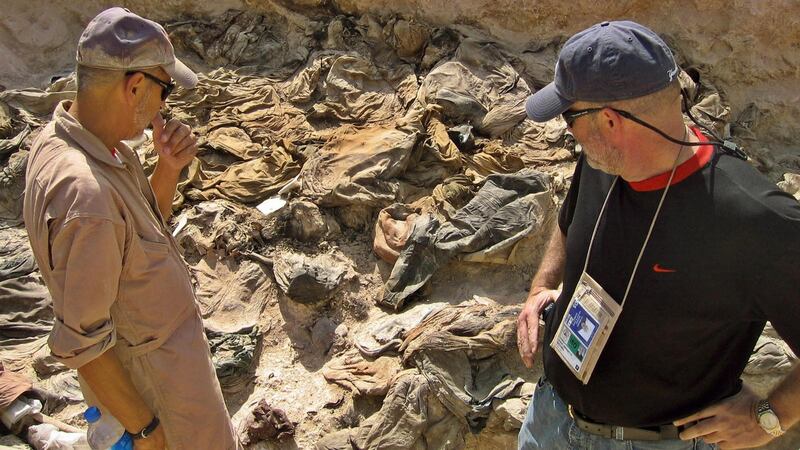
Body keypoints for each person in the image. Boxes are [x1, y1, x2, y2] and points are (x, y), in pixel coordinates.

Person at [516, 20, 800, 450]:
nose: (567, 131)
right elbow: (568, 220)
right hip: (551, 418)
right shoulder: (599, 163)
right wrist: (543, 285)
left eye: (569, 116)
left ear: (610, 121)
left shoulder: (755, 218)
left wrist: (770, 418)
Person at [23, 8, 240, 449]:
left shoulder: (83, 143)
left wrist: (169, 169)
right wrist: (146, 431)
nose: (164, 106)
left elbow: (141, 240)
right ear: (136, 86)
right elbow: (82, 343)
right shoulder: (87, 196)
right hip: (160, 397)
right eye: (166, 91)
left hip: (160, 376)